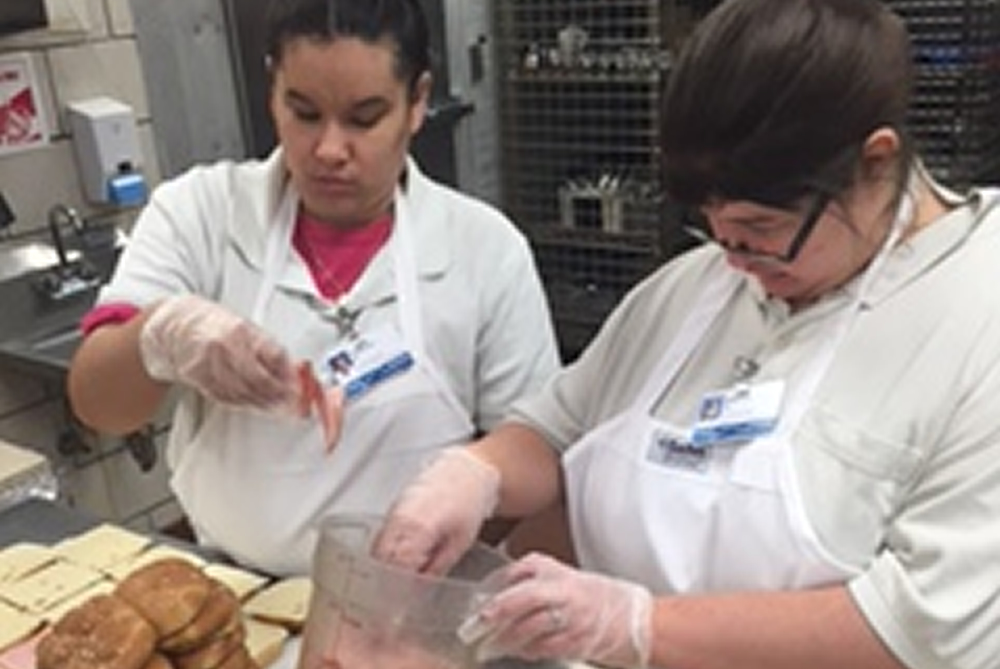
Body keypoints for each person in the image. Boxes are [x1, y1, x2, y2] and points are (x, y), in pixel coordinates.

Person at [373, 1, 1000, 667]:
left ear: (876, 161)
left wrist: (639, 624)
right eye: (712, 225)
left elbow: (920, 627)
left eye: (760, 230)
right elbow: (556, 431)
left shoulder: (973, 314)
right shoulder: (696, 288)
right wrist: (477, 474)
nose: (733, 259)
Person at [66, 0, 559, 577]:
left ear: (418, 101)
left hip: (411, 600)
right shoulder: (199, 213)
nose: (329, 150)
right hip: (233, 592)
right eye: (303, 112)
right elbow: (98, 406)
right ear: (272, 90)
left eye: (364, 117)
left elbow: (536, 458)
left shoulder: (483, 248)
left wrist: (469, 496)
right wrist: (160, 335)